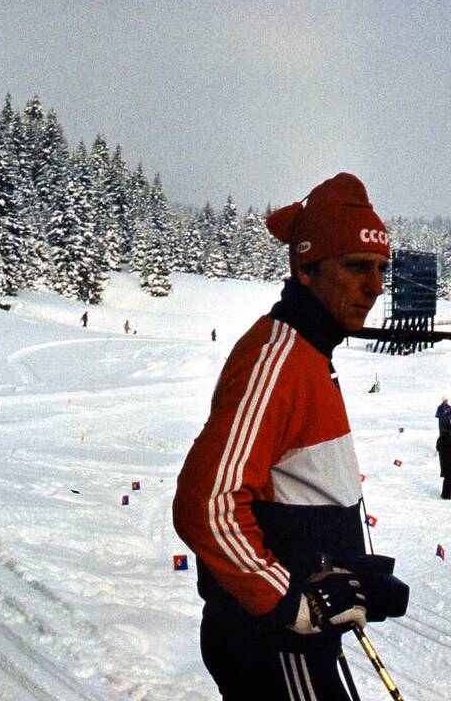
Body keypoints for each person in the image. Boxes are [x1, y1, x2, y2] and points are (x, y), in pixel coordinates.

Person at [172, 172, 404, 699]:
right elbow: (206, 505)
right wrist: (289, 602)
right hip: (276, 642)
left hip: (299, 635)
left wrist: (355, 576)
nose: (375, 287)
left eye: (380, 269)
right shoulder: (276, 360)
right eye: (356, 267)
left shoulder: (312, 356)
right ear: (305, 268)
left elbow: (298, 495)